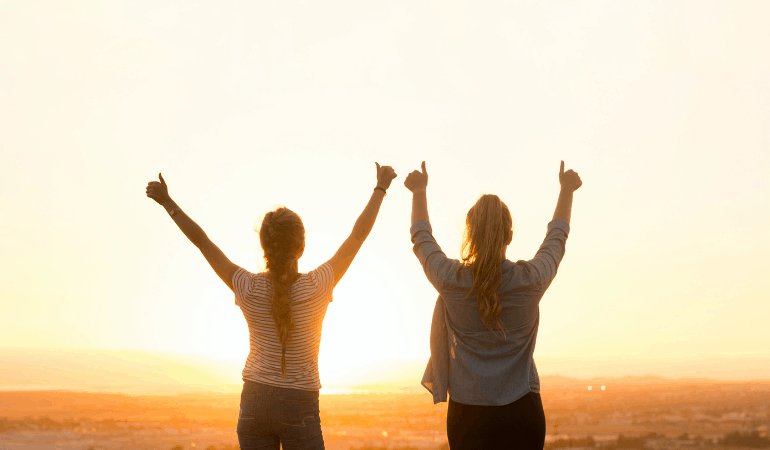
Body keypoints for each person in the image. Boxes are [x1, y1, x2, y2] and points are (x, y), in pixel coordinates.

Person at [146, 163, 397, 450]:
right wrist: (380, 188)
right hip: (299, 404)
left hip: (254, 402)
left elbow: (203, 243)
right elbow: (357, 236)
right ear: (301, 247)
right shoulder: (318, 286)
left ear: (264, 246)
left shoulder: (248, 286)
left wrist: (168, 203)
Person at [404, 161, 582, 450]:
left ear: (470, 235)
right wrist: (566, 190)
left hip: (467, 416)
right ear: (509, 235)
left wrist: (419, 191)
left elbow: (421, 238)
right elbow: (556, 239)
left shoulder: (451, 281)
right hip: (522, 413)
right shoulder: (531, 281)